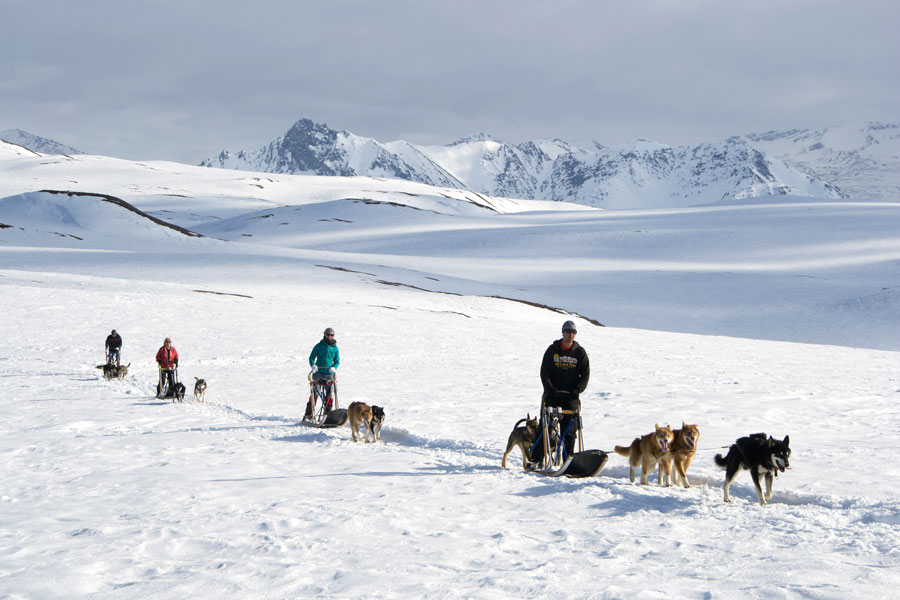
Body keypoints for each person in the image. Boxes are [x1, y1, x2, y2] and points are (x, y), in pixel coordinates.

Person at [538, 320, 590, 459]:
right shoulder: (552, 350)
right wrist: (550, 388)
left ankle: (568, 460)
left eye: (573, 332)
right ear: (563, 332)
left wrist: (578, 389)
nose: (570, 335)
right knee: (545, 428)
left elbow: (585, 374)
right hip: (552, 394)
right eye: (568, 332)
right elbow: (545, 372)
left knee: (570, 431)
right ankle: (537, 459)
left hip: (570, 397)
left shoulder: (580, 352)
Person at [305, 327, 340, 419]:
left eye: (332, 335)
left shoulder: (335, 348)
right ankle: (309, 414)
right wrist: (313, 365)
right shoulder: (319, 346)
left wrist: (334, 368)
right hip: (318, 372)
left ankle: (327, 414)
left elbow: (337, 361)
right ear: (324, 335)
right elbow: (311, 358)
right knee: (315, 393)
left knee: (329, 394)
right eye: (328, 334)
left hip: (329, 373)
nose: (330, 337)